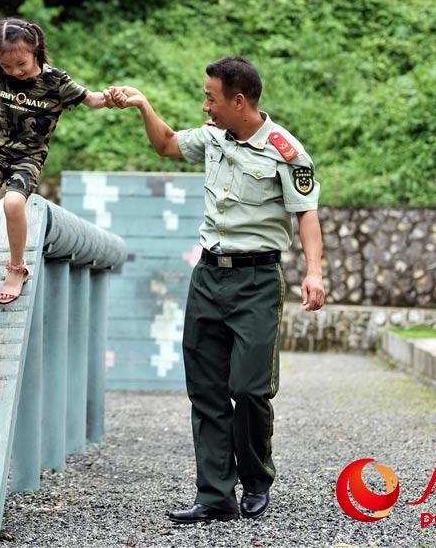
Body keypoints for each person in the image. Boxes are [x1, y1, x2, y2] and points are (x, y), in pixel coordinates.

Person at [107, 56, 325, 523]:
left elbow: (306, 212)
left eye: (211, 98)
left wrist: (314, 272)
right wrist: (143, 105)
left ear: (238, 101)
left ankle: (256, 479)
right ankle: (215, 496)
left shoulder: (285, 151)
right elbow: (166, 144)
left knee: (249, 388)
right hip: (208, 276)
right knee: (205, 388)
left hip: (257, 279)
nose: (205, 107)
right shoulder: (212, 138)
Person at [0, 18, 111, 304]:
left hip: (29, 156)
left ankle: (17, 268)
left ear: (35, 50)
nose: (15, 72)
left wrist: (114, 96)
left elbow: (93, 100)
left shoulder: (56, 82)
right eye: (6, 66)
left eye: (21, 64)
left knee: (14, 203)